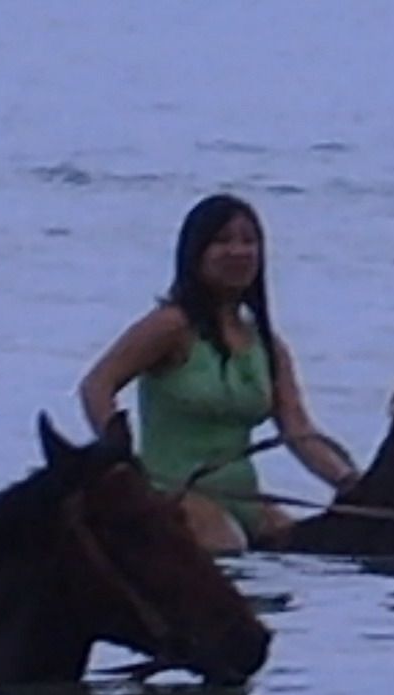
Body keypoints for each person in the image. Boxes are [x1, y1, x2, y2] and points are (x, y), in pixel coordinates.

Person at [78, 193, 358, 552]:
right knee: (227, 546)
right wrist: (120, 458)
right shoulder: (171, 326)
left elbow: (298, 431)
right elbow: (96, 385)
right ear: (195, 254)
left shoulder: (268, 345)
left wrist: (347, 480)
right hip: (172, 495)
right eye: (223, 241)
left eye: (248, 240)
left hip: (246, 502)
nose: (238, 251)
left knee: (314, 552)